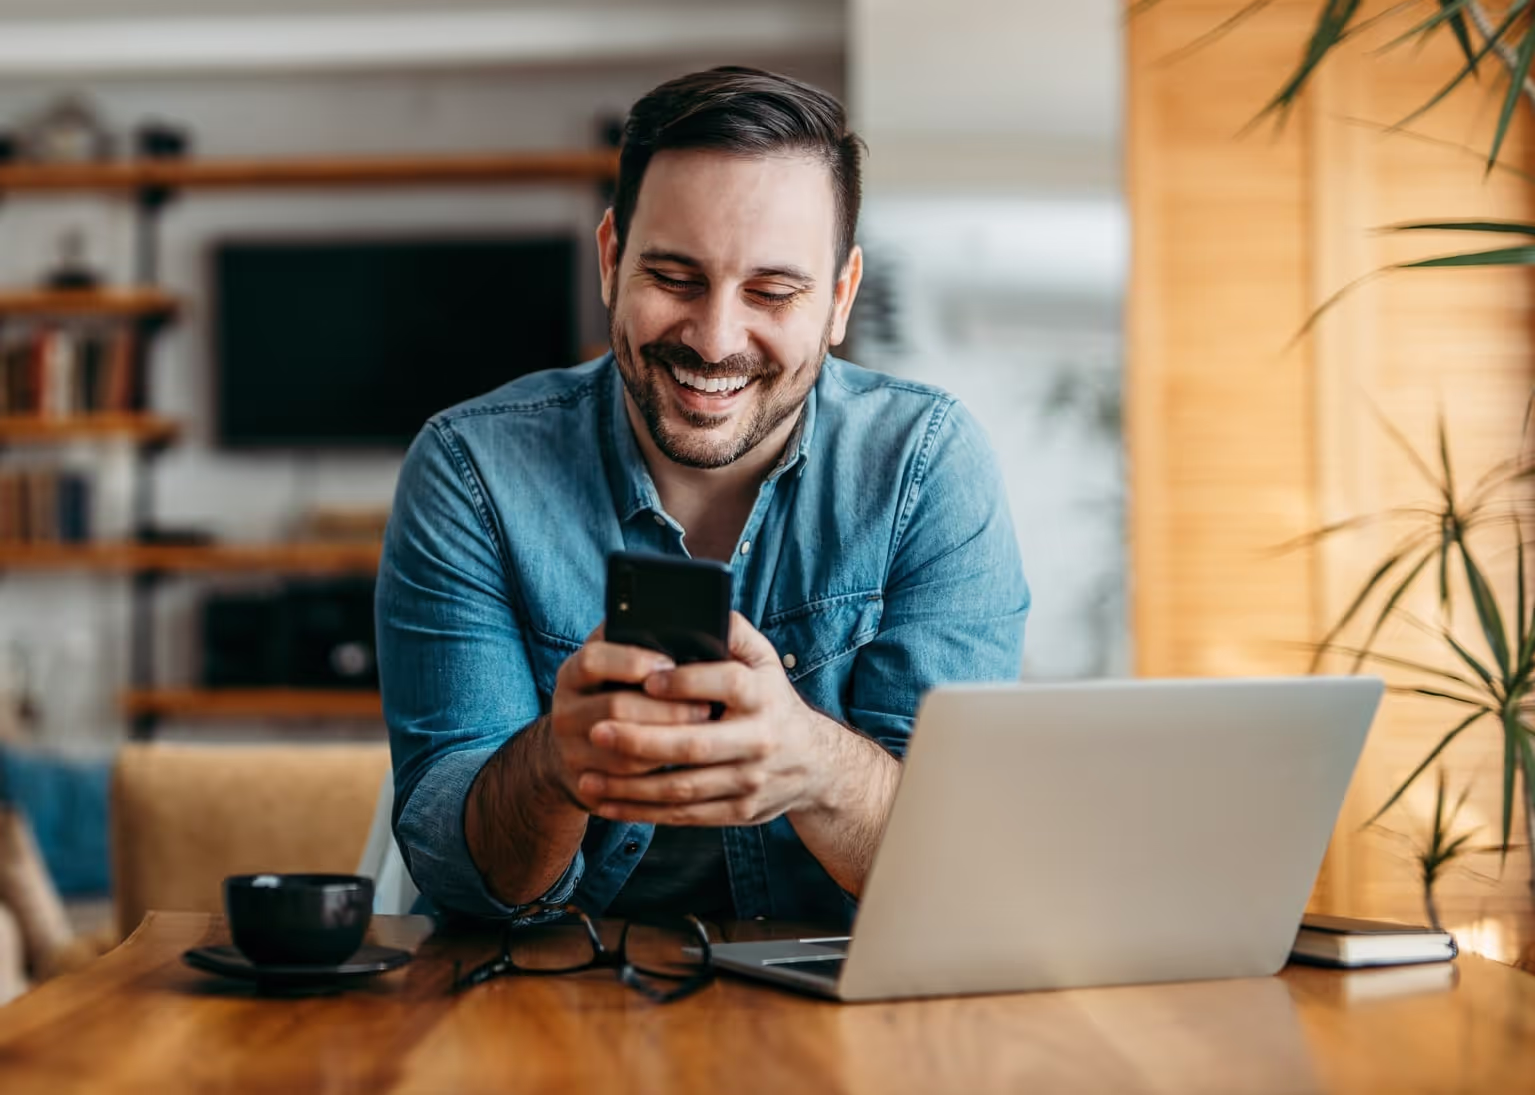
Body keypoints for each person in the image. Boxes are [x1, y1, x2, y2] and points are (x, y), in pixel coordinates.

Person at [377, 66, 1028, 928]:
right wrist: (554, 764)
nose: (716, 339)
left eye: (772, 291)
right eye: (676, 278)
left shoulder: (926, 466)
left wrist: (814, 764)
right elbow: (456, 877)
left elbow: (958, 873)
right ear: (611, 258)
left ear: (838, 298)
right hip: (544, 1004)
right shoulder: (470, 471)